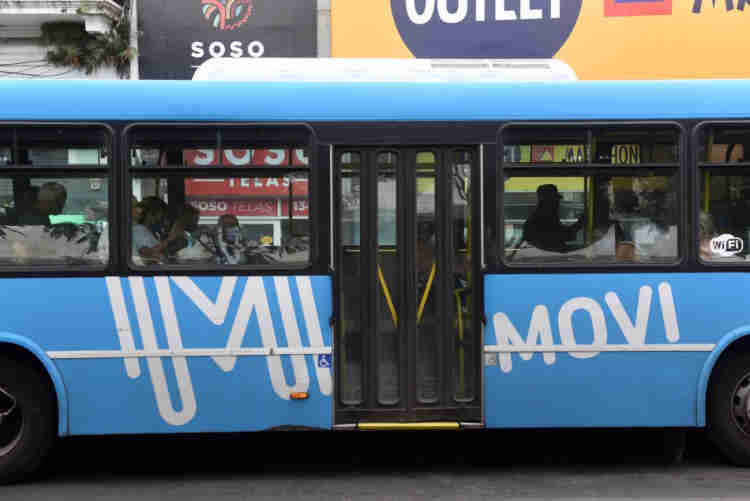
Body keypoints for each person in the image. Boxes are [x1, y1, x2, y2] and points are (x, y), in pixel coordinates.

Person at [522, 184, 583, 252]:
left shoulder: (543, 216)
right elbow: (563, 236)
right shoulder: (542, 219)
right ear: (546, 200)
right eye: (555, 200)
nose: (558, 203)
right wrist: (580, 223)